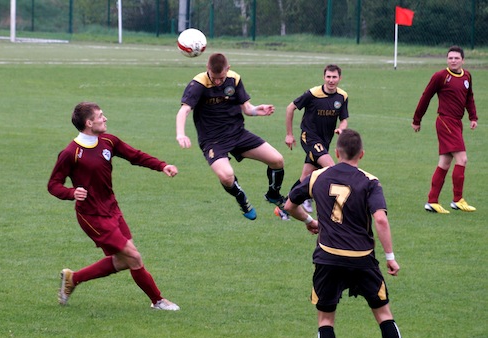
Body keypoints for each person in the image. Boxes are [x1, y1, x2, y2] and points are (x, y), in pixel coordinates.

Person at [284, 129, 422, 338]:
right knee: (383, 314)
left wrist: (310, 222)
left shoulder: (316, 177)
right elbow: (380, 220)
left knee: (326, 319)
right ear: (361, 154)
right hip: (362, 260)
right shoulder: (370, 181)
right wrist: (391, 257)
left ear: (336, 153)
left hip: (328, 258)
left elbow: (289, 205)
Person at [48, 102, 180, 311]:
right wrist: (71, 193)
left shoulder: (109, 141)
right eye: (101, 116)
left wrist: (162, 165)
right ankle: (158, 301)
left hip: (112, 209)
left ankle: (73, 278)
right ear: (89, 123)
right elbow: (53, 185)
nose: (105, 118)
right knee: (134, 257)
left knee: (124, 260)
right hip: (91, 216)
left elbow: (135, 155)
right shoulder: (71, 153)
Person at [175, 52, 287, 220]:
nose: (218, 81)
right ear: (207, 69)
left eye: (221, 78)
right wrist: (180, 134)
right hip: (213, 141)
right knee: (226, 176)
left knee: (277, 160)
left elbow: (247, 109)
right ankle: (241, 198)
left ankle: (273, 194)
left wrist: (258, 110)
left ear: (228, 69)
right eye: (214, 77)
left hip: (238, 134)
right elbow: (184, 110)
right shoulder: (198, 84)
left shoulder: (234, 79)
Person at [412, 45, 478, 214]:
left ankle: (432, 201)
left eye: (456, 58)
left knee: (445, 162)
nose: (453, 61)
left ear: (463, 60)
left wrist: (473, 117)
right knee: (462, 159)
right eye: (450, 58)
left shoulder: (467, 76)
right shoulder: (441, 76)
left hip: (457, 122)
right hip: (445, 121)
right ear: (447, 60)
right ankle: (457, 200)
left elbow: (469, 97)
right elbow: (426, 96)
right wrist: (417, 119)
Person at [285, 64, 349, 214]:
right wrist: (289, 134)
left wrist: (342, 128)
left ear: (340, 78)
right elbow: (290, 108)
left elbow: (344, 118)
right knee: (332, 169)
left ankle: (284, 206)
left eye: (334, 77)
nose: (331, 80)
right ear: (324, 77)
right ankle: (337, 209)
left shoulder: (342, 96)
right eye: (328, 77)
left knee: (305, 177)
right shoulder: (313, 94)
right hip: (309, 137)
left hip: (325, 141)